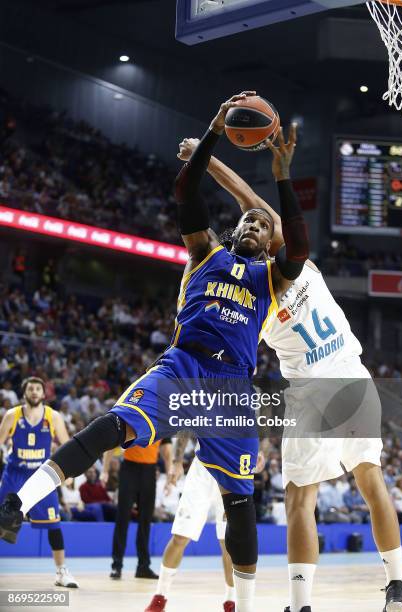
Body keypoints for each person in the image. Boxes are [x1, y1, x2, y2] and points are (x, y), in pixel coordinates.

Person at [0, 91, 309, 612]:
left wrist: (282, 174)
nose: (257, 225)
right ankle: (15, 503)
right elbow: (186, 190)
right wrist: (213, 129)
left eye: (266, 224)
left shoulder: (271, 278)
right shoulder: (204, 251)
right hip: (183, 364)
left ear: (271, 240)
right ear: (236, 228)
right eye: (251, 220)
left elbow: (298, 246)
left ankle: (248, 605)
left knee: (240, 503)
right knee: (110, 426)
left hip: (232, 386)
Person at [177, 136, 402, 612]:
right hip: (351, 374)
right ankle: (398, 587)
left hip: (311, 391)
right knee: (371, 481)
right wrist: (216, 161)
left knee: (301, 499)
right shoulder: (299, 266)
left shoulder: (257, 296)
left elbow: (251, 208)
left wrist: (209, 159)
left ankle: (301, 604)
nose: (259, 225)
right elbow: (256, 205)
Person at [0, 377, 78, 588]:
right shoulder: (12, 415)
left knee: (54, 526)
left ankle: (61, 573)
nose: (34, 392)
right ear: (24, 393)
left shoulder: (53, 417)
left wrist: (69, 474)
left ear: (44, 394)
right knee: (1, 520)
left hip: (42, 477)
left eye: (38, 389)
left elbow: (67, 445)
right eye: (30, 388)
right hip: (14, 475)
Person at [145, 436, 237, 612]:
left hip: (233, 468)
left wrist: (258, 451)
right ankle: (160, 597)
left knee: (229, 544)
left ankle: (230, 602)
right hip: (202, 470)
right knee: (180, 536)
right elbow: (187, 423)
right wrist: (177, 460)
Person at [102, 439, 172, 580]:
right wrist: (105, 470)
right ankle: (117, 566)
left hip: (150, 471)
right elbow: (112, 443)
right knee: (122, 518)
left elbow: (167, 451)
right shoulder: (133, 417)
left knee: (145, 520)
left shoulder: (161, 422)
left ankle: (143, 567)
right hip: (129, 469)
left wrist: (169, 479)